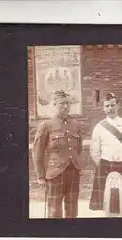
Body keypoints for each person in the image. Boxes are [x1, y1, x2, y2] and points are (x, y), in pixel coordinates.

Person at [89, 93, 122, 217]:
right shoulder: (99, 127)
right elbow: (95, 150)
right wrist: (102, 163)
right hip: (105, 165)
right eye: (107, 106)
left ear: (118, 106)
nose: (110, 108)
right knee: (106, 200)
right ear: (103, 108)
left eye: (113, 105)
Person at [32, 90, 84, 218]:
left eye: (68, 103)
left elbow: (79, 148)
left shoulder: (75, 124)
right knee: (54, 209)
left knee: (72, 208)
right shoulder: (46, 125)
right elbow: (37, 152)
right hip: (55, 173)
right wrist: (40, 176)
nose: (65, 106)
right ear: (54, 104)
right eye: (62, 103)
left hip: (73, 171)